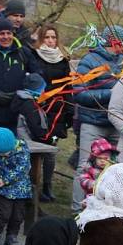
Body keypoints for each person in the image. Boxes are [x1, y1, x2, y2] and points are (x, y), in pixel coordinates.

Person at [72, 25, 123, 212]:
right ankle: (78, 211)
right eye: (121, 42)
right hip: (93, 122)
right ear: (113, 41)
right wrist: (110, 94)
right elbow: (78, 93)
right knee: (85, 167)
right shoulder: (90, 60)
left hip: (114, 124)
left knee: (112, 169)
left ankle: (103, 209)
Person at [33, 25, 73, 202]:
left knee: (50, 152)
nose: (50, 41)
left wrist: (70, 110)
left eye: (53, 37)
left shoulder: (63, 60)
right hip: (38, 109)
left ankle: (47, 186)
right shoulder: (34, 57)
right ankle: (33, 184)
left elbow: (68, 87)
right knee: (35, 150)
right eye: (47, 37)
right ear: (41, 39)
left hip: (57, 111)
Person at [0, 127, 31, 245]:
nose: (3, 155)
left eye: (5, 152)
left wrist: (4, 180)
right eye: (0, 153)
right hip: (4, 191)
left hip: (20, 189)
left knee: (18, 215)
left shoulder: (22, 150)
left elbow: (22, 169)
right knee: (2, 214)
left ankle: (12, 236)